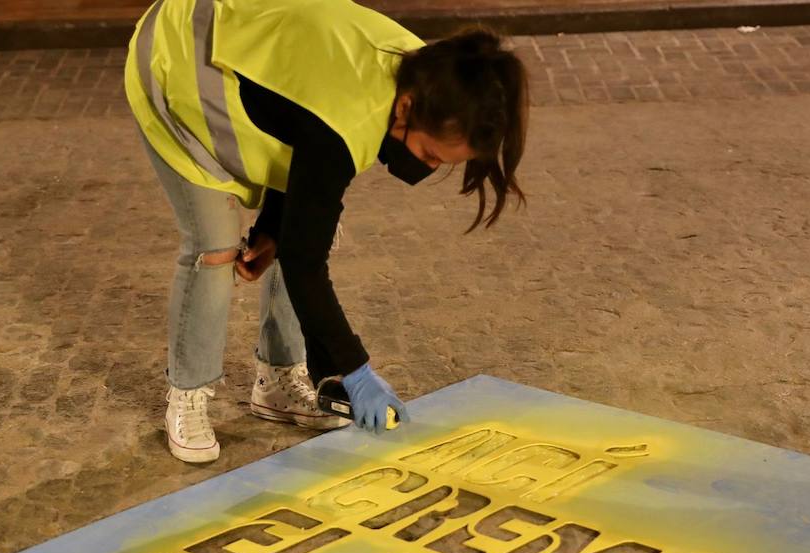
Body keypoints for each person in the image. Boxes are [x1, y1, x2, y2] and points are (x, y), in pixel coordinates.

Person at [126, 0, 528, 463]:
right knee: (216, 248)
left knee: (304, 232)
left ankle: (277, 381)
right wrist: (353, 369)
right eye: (430, 154)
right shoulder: (351, 116)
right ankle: (188, 393)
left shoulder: (433, 76)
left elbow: (294, 115)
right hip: (178, 61)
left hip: (244, 69)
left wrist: (275, 225)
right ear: (405, 108)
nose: (427, 167)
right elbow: (305, 251)